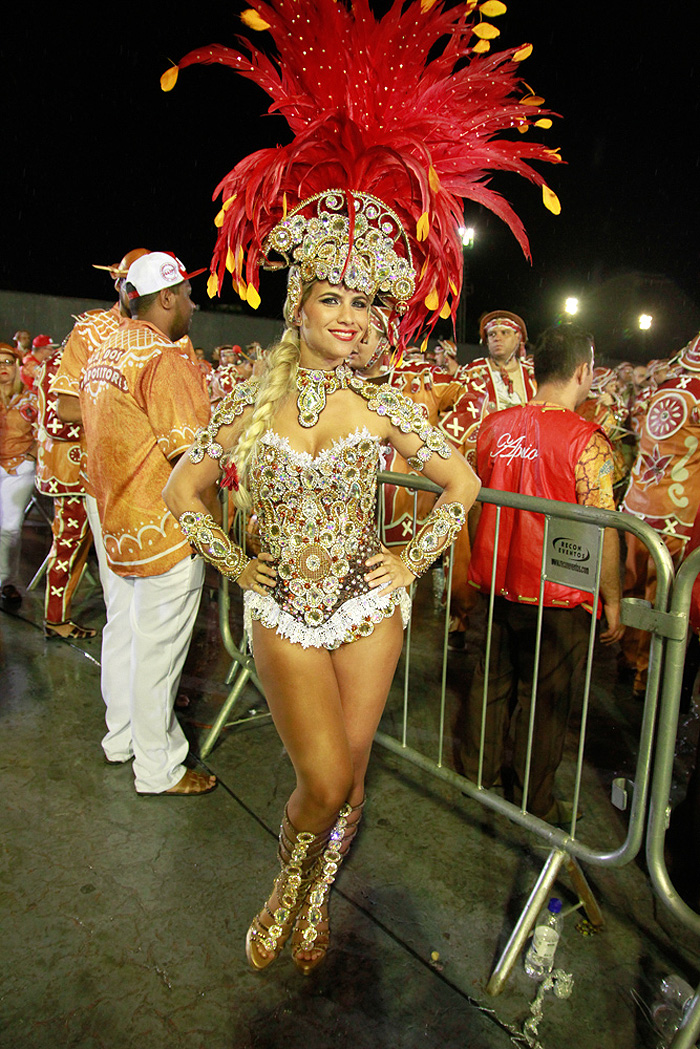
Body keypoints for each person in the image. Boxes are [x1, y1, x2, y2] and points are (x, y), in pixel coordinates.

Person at [164, 0, 561, 973]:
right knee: (324, 773)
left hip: (370, 605)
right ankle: (289, 878)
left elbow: (461, 479)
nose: (349, 315)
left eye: (364, 300)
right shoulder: (246, 404)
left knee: (347, 779)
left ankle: (314, 890)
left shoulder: (386, 403)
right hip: (284, 609)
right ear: (298, 302)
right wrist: (239, 564)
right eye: (331, 296)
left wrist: (408, 555)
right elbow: (183, 493)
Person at [457, 326, 624, 823]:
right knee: (545, 700)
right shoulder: (587, 442)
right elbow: (604, 529)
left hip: (493, 580)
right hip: (558, 595)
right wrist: (612, 599)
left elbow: (471, 502)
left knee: (489, 681)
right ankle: (534, 798)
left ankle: (474, 773)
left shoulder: (493, 426)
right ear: (582, 372)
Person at [79, 252, 216, 797]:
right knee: (158, 657)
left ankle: (122, 739)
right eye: (185, 293)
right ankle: (158, 769)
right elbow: (193, 454)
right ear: (164, 297)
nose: (192, 302)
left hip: (119, 523)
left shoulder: (105, 350)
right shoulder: (163, 358)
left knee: (127, 640)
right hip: (165, 529)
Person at [620, 331, 700, 695]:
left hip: (638, 506)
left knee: (634, 587)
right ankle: (645, 678)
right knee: (662, 599)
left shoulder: (666, 387)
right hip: (677, 515)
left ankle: (626, 658)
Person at [35, 341, 96, 639]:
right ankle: (56, 619)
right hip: (71, 469)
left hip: (72, 468)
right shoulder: (64, 362)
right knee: (68, 544)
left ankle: (58, 615)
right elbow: (57, 421)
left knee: (74, 544)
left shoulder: (64, 359)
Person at [0, 343, 38, 608]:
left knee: (10, 528)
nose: (3, 368)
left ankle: (6, 582)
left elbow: (42, 432)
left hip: (19, 468)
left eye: (8, 362)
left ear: (17, 366)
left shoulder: (30, 399)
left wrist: (31, 456)